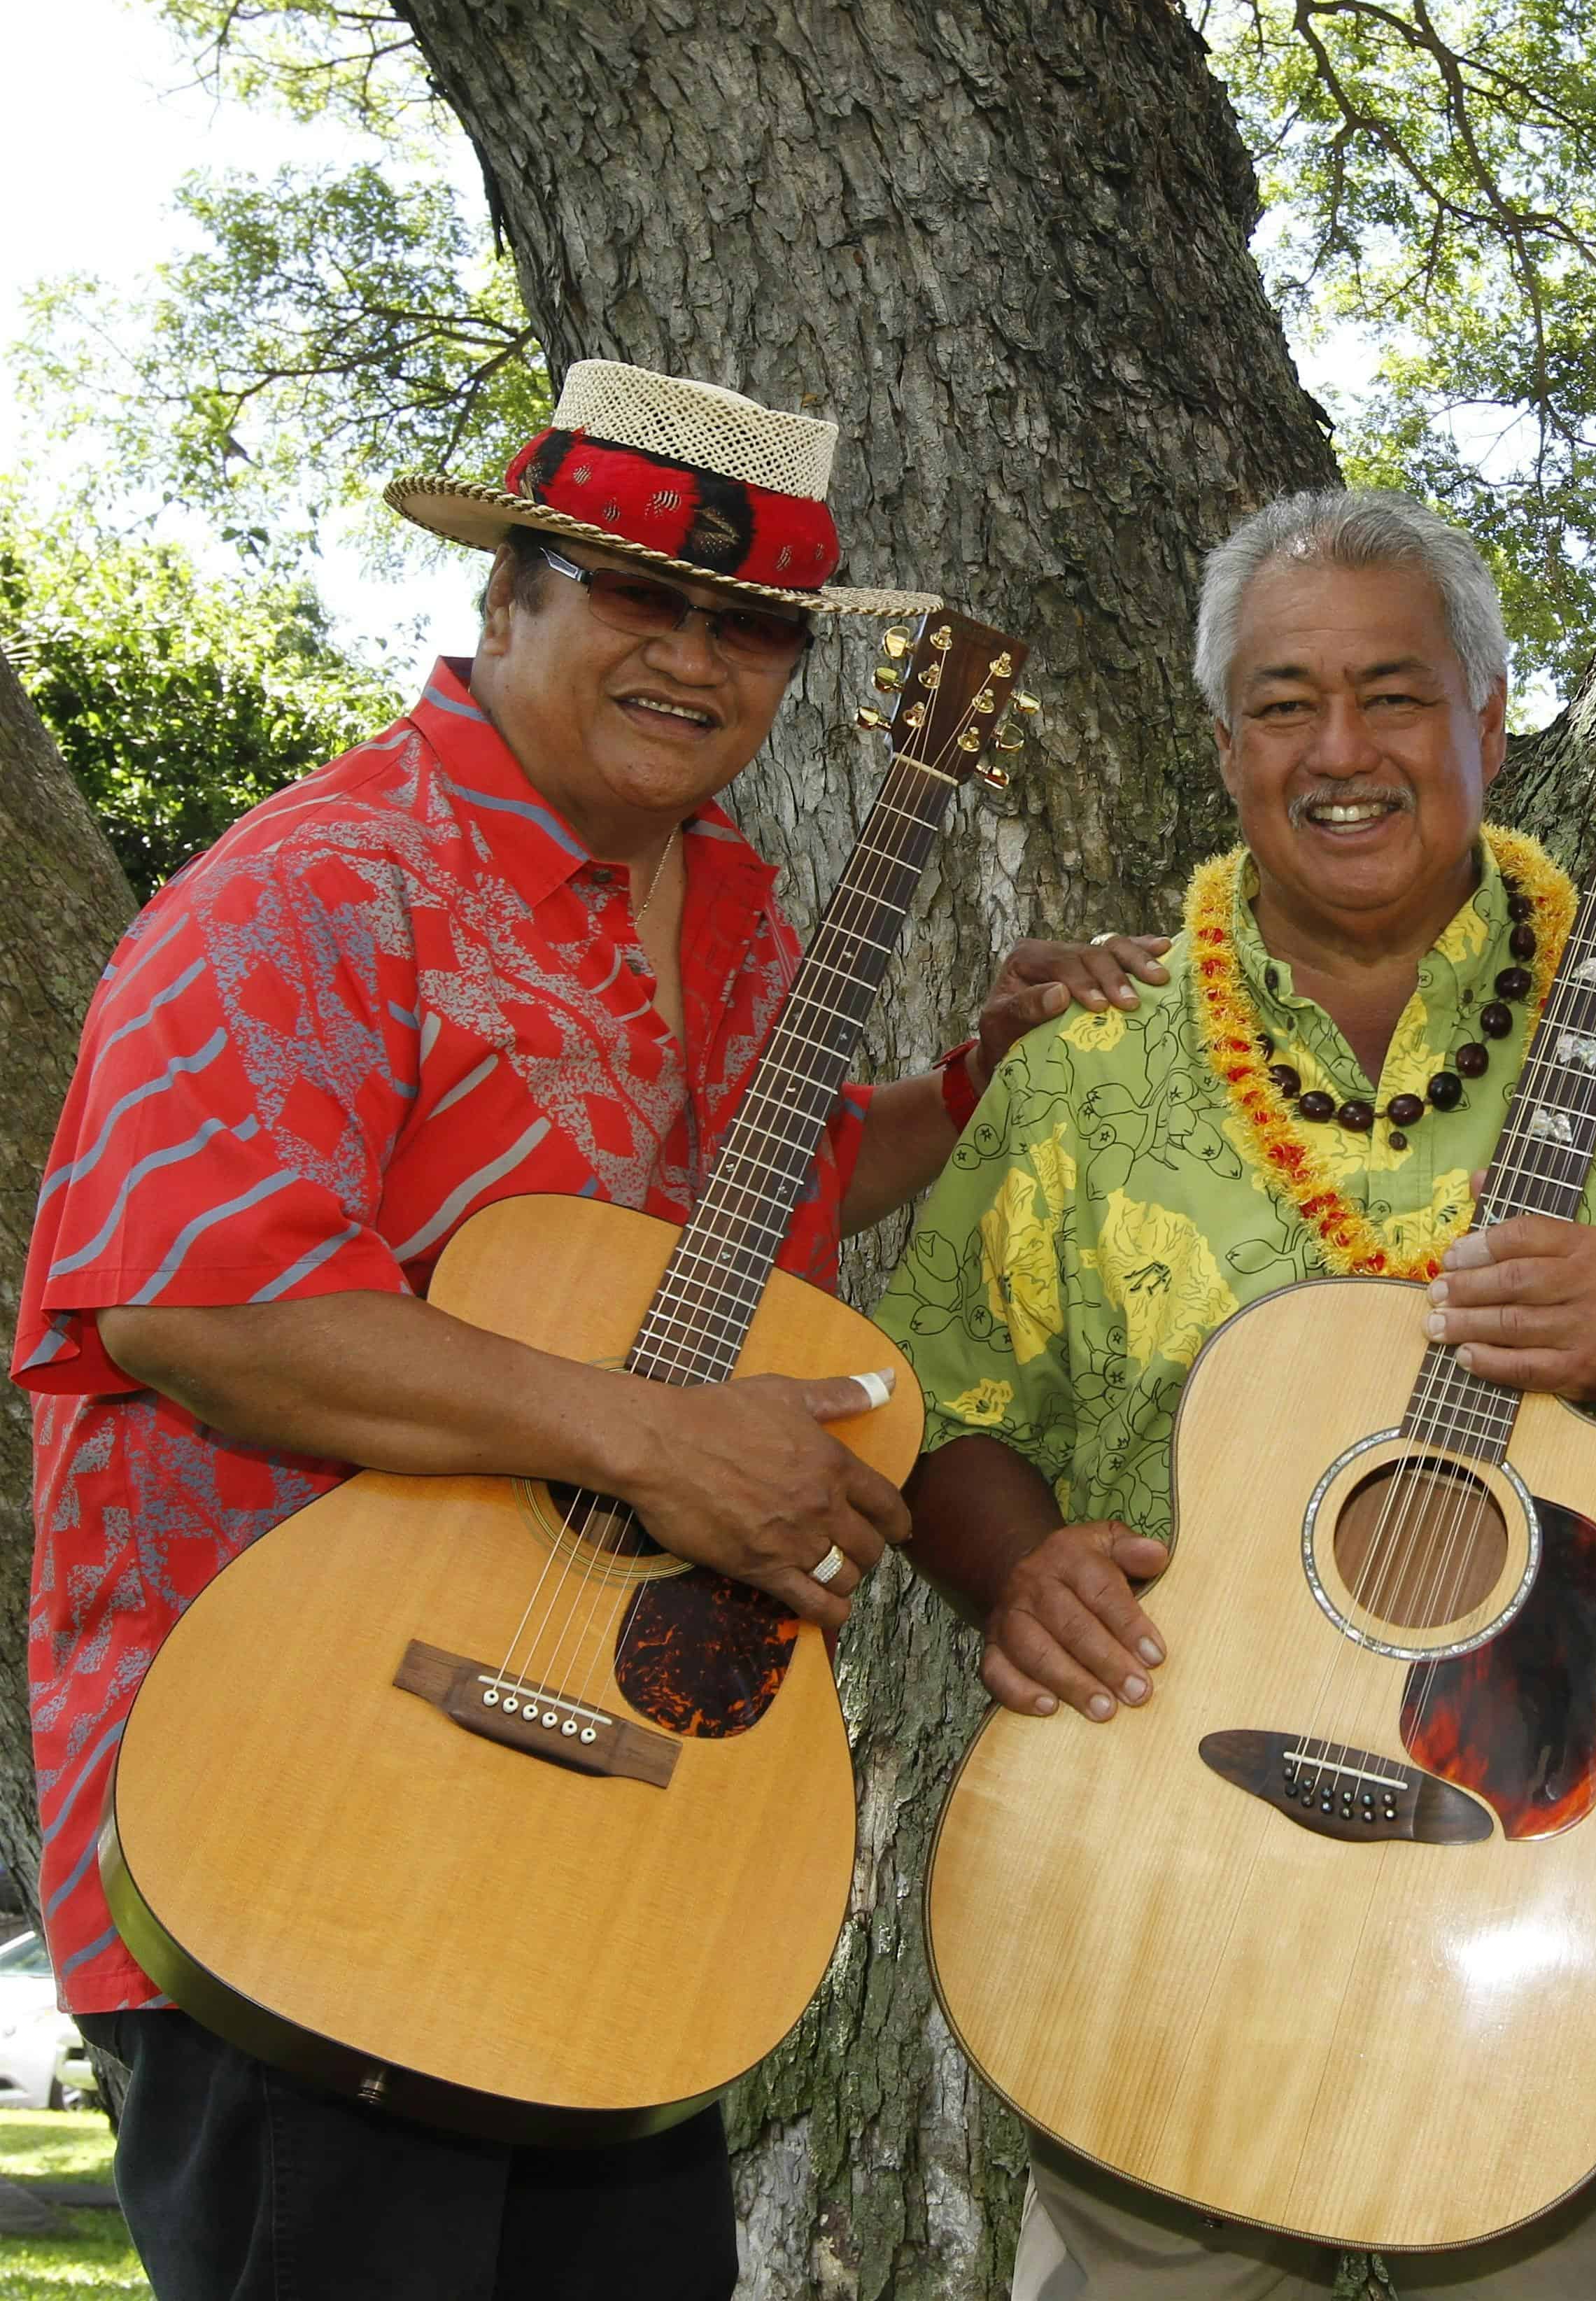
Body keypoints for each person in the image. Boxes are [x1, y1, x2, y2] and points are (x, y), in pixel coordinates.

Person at [10, 359, 1159, 2301]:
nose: (694, 656)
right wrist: (645, 1443)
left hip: (618, 1824)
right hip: (293, 1791)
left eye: (750, 624)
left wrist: (969, 1089)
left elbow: (735, 1231)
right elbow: (199, 1299)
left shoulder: (739, 920)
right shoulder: (313, 889)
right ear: (504, 597)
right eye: (638, 593)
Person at [876, 486, 1596, 2300]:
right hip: (1167, 1893)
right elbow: (935, 1413)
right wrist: (1020, 1573)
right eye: (1284, 700)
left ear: (1486, 723)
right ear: (1226, 736)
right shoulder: (1088, 1061)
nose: (1341, 751)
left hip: (1558, 1918)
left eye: (1396, 694)